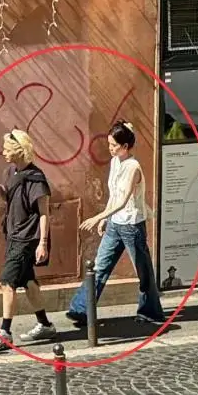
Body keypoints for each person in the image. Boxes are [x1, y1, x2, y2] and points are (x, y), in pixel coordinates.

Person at [66, 120, 165, 325]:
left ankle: (151, 311)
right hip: (114, 223)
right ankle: (81, 309)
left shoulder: (133, 167)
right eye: (109, 144)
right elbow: (114, 195)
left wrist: (98, 216)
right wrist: (105, 218)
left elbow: (123, 200)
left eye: (114, 145)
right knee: (100, 266)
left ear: (125, 146)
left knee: (143, 270)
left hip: (132, 226)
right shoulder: (115, 162)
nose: (110, 148)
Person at [0, 130, 57, 349]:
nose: (3, 152)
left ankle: (4, 333)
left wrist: (42, 243)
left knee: (7, 282)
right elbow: (8, 196)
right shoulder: (11, 171)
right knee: (28, 282)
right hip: (13, 235)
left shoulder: (36, 179)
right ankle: (45, 325)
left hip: (27, 238)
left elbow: (44, 213)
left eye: (7, 149)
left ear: (19, 151)